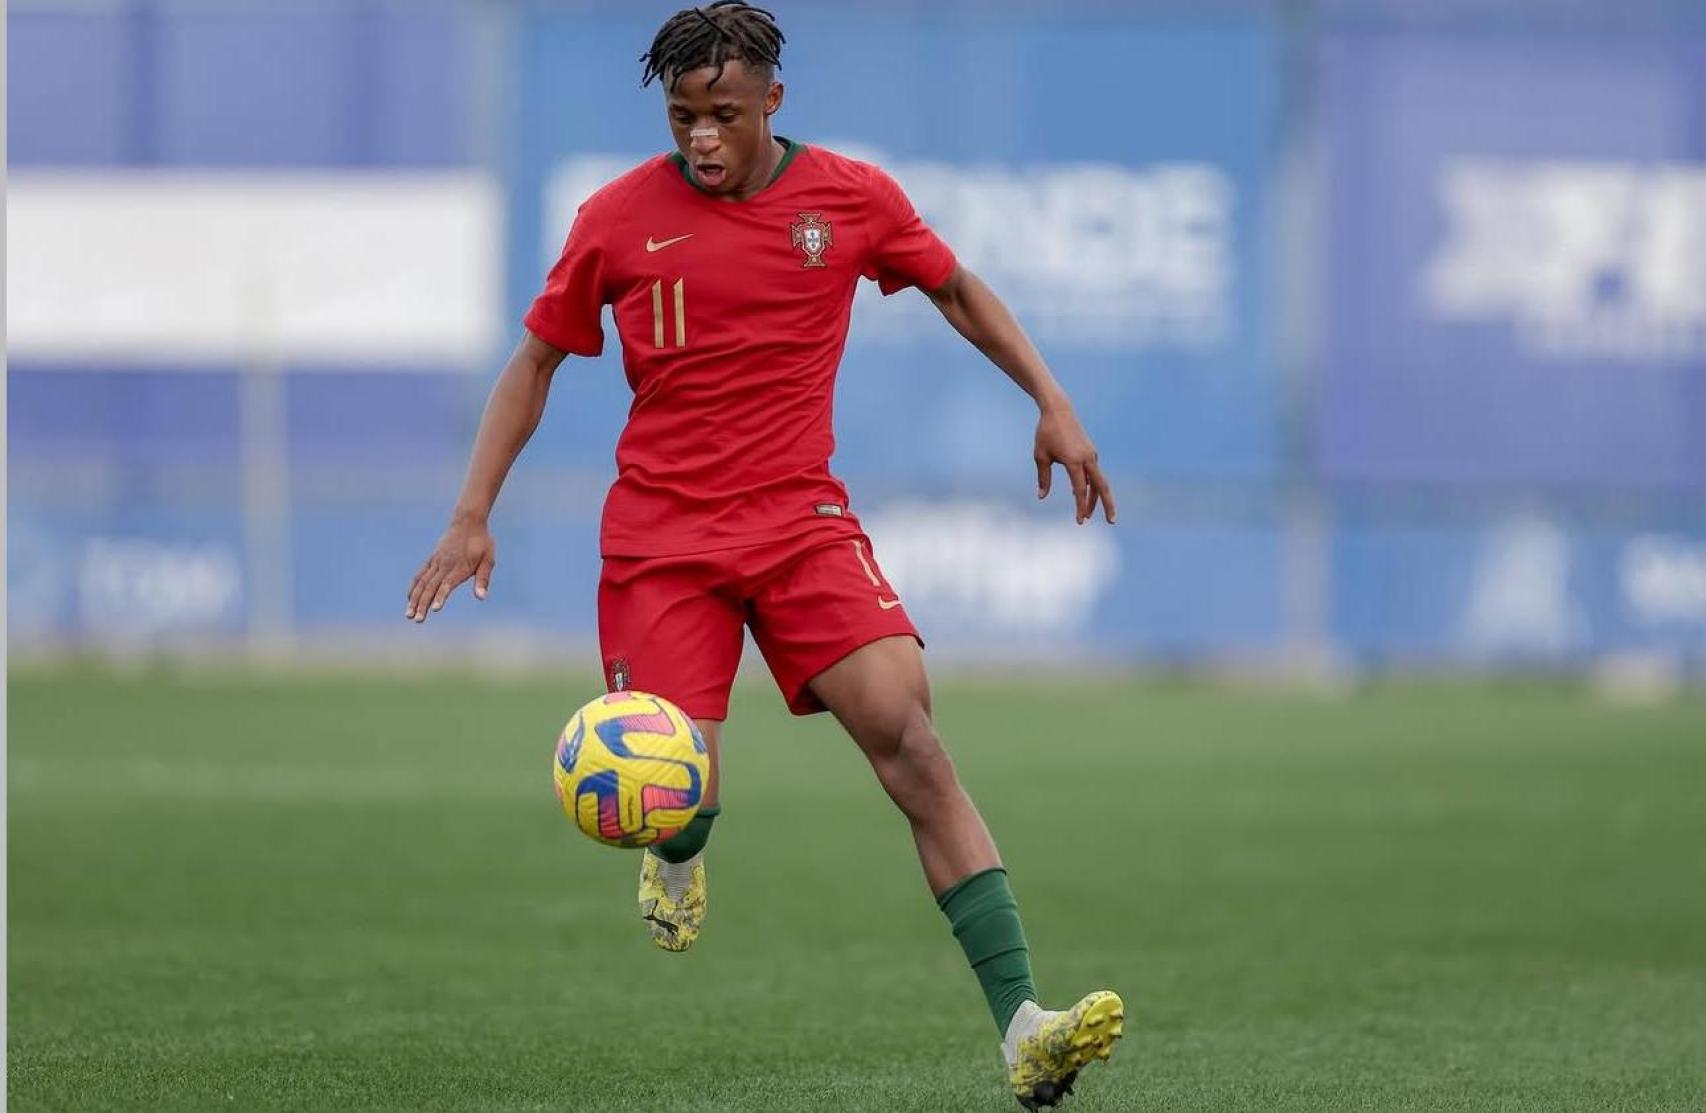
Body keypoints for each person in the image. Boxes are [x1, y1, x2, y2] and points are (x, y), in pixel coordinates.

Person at [405, 3, 1120, 1107]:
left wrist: (1050, 397)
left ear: (771, 103)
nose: (700, 135)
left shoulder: (849, 198)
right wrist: (470, 512)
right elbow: (536, 361)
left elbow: (956, 291)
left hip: (798, 527)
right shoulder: (613, 219)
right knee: (678, 791)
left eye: (722, 114)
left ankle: (1023, 1026)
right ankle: (680, 848)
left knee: (913, 743)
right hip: (661, 547)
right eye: (683, 114)